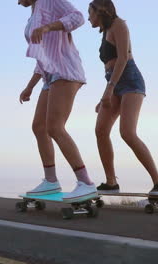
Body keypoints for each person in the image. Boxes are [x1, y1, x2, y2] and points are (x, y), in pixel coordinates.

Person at [17, 0, 98, 203]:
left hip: (65, 71)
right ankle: (51, 180)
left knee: (55, 127)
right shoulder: (33, 14)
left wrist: (48, 26)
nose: (17, 2)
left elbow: (78, 17)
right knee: (39, 127)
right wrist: (30, 86)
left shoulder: (50, 1)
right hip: (49, 75)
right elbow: (43, 56)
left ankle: (85, 182)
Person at [88, 0, 158, 195]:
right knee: (100, 130)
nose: (88, 17)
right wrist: (105, 95)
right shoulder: (105, 31)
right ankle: (111, 182)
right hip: (113, 83)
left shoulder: (119, 25)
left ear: (100, 11)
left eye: (90, 12)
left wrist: (109, 90)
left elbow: (123, 58)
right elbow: (110, 67)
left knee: (127, 133)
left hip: (130, 81)